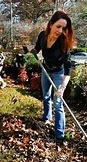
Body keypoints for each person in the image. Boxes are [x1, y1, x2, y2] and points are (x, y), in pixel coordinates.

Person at [31, 11, 76, 144]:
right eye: (58, 26)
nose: (60, 31)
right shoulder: (42, 36)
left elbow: (68, 69)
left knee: (58, 103)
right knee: (45, 96)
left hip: (58, 73)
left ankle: (59, 134)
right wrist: (33, 51)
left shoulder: (64, 43)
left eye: (63, 28)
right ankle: (46, 117)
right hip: (46, 70)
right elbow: (37, 48)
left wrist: (62, 87)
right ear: (50, 25)